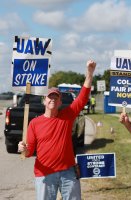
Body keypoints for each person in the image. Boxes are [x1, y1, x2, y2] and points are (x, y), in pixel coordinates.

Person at [18, 60, 96, 200]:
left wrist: (89, 73)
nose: (53, 99)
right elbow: (29, 152)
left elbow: (82, 97)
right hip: (45, 173)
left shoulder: (67, 115)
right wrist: (23, 148)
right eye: (50, 97)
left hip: (68, 172)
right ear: (44, 101)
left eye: (56, 97)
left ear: (60, 102)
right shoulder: (35, 123)